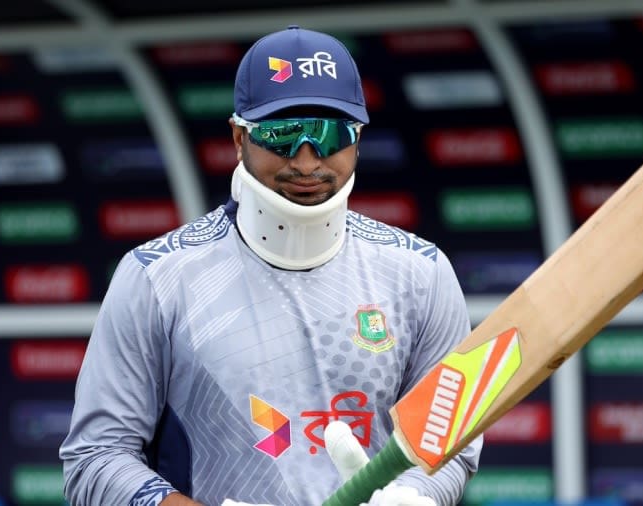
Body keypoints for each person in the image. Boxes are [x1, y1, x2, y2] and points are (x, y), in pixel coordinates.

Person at [59, 25, 481, 506]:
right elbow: (95, 457)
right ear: (239, 137)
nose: (306, 161)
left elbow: (450, 445)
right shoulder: (158, 276)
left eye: (328, 134)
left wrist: (414, 497)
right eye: (281, 135)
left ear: (358, 138)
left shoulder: (420, 273)